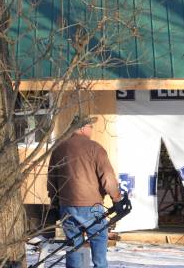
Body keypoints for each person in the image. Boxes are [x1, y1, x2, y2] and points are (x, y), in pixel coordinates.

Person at [47, 115, 122, 268]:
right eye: (90, 127)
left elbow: (52, 181)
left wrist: (55, 204)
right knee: (99, 242)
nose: (92, 130)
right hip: (91, 206)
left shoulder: (59, 149)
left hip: (67, 206)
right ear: (82, 128)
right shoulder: (95, 148)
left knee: (74, 246)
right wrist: (117, 199)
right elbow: (107, 177)